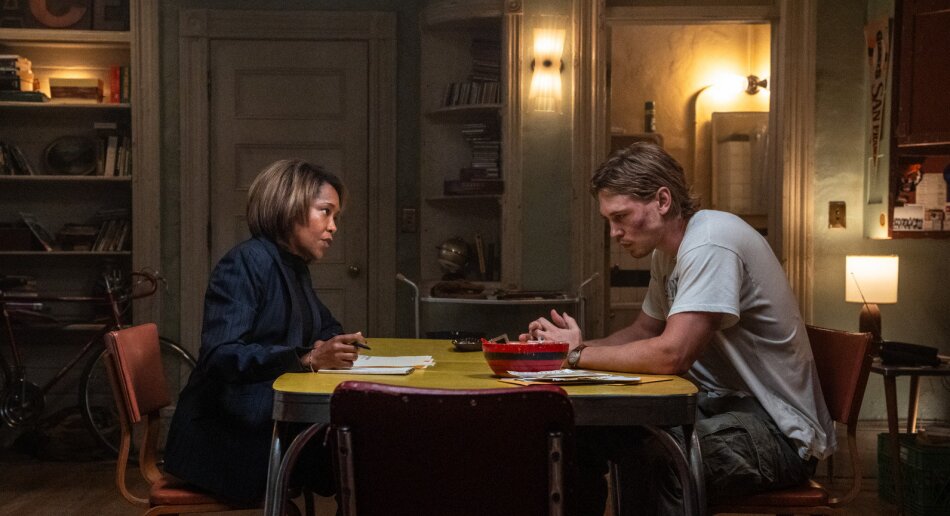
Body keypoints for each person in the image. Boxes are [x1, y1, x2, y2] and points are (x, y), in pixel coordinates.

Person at [523, 142, 835, 514]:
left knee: (660, 462)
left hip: (780, 432)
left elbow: (673, 354)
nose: (614, 232)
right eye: (609, 220)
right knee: (581, 437)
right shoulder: (668, 254)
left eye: (621, 217)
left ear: (662, 200)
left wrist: (575, 355)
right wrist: (564, 349)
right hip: (717, 409)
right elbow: (643, 332)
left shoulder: (710, 243)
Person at [164, 159, 366, 507]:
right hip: (228, 440)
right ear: (291, 206)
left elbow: (326, 325)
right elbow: (220, 354)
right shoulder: (246, 262)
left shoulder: (293, 266)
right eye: (325, 212)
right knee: (365, 449)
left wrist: (331, 343)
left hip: (265, 424)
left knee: (365, 445)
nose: (333, 227)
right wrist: (307, 357)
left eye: (335, 216)